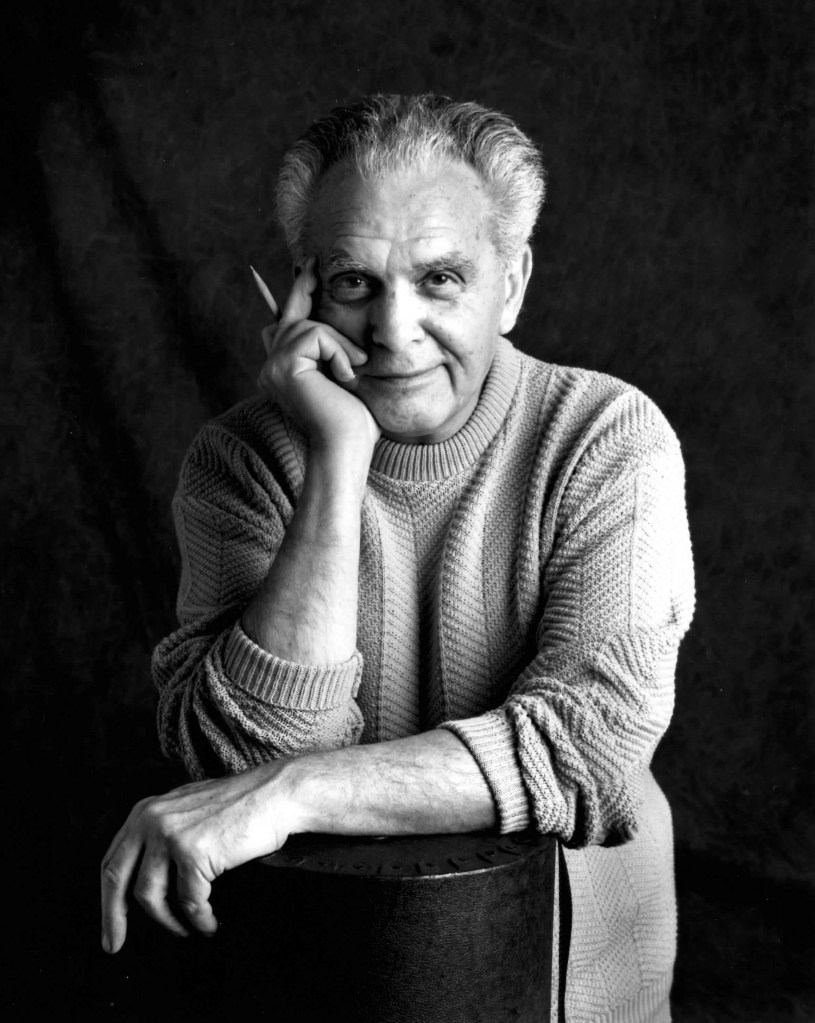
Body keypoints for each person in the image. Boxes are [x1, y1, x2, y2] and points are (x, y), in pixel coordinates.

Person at [101, 94, 694, 1022]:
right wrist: (338, 459)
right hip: (322, 979)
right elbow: (244, 756)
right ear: (302, 292)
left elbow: (586, 748)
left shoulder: (607, 436)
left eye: (440, 277)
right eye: (353, 282)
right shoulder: (239, 463)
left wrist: (294, 792)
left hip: (569, 989)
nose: (393, 328)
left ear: (511, 284)